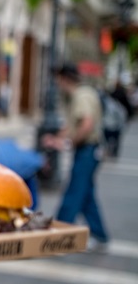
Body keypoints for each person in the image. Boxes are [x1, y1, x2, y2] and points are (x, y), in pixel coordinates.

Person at [42, 63, 110, 253]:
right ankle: (99, 234)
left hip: (87, 150)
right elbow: (72, 125)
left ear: (64, 79)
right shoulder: (81, 95)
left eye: (58, 80)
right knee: (86, 195)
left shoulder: (81, 95)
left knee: (74, 192)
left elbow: (86, 124)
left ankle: (60, 237)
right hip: (89, 150)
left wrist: (68, 142)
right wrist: (58, 138)